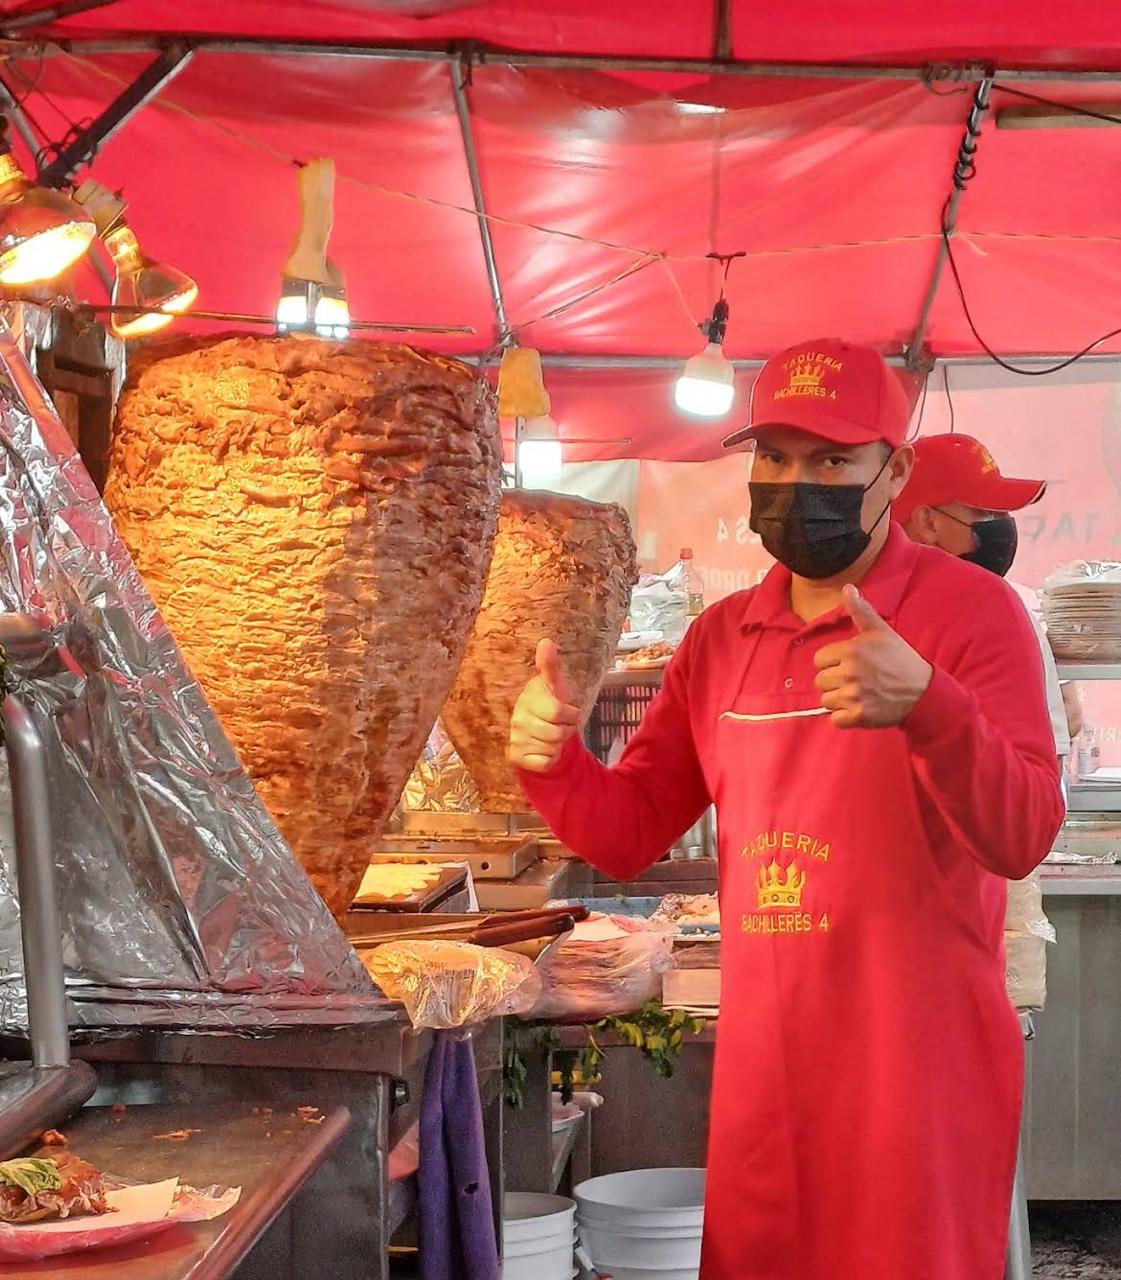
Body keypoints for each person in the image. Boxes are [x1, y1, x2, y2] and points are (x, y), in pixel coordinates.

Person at [508, 339, 1065, 1280]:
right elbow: (630, 829)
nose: (794, 483)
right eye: (774, 457)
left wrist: (929, 706)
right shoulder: (721, 638)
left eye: (832, 461)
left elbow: (1022, 835)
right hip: (766, 1076)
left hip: (916, 1072)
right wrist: (553, 762)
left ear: (892, 472)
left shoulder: (972, 615)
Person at [893, 433, 1079, 773]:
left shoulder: (1010, 608)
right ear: (927, 522)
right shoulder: (869, 613)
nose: (1003, 528)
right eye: (985, 514)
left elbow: (1046, 767)